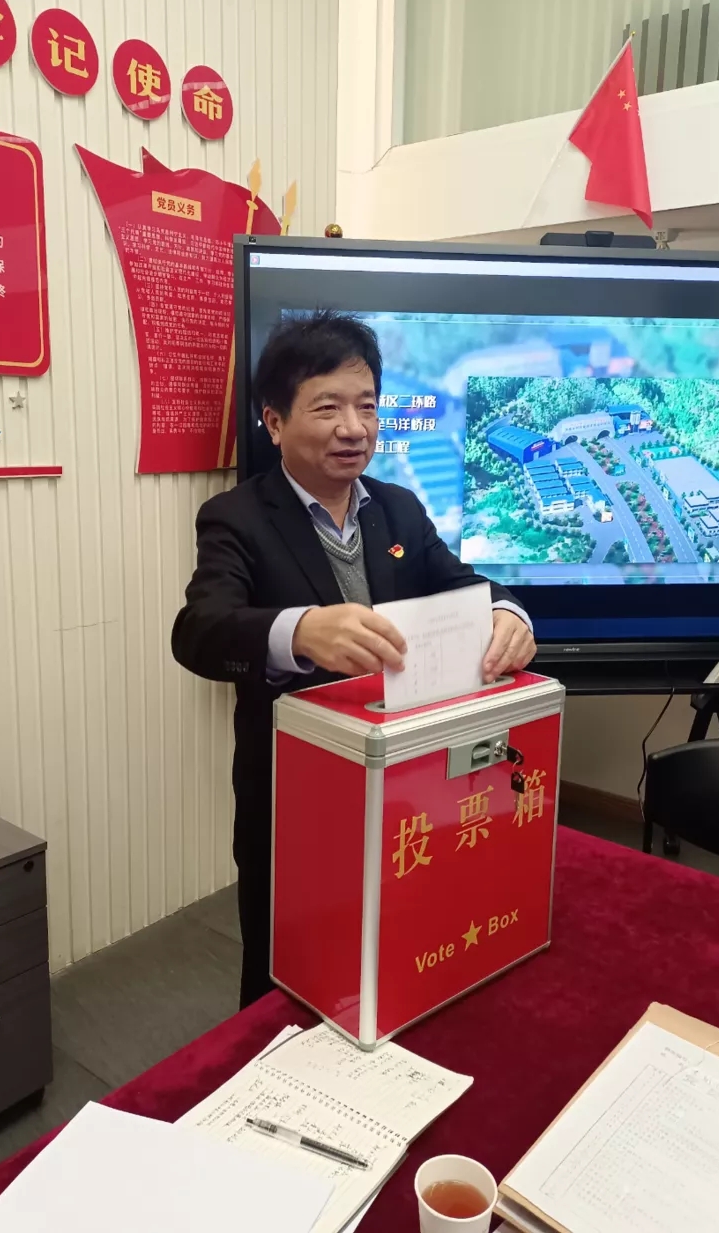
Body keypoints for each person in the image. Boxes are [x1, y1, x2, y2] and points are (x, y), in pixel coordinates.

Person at [171, 312, 536, 1007]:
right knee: (286, 961)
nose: (354, 428)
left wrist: (509, 614)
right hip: (296, 792)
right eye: (327, 408)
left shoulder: (398, 509)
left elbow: (462, 583)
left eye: (366, 406)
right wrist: (300, 629)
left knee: (399, 937)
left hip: (406, 779)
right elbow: (198, 631)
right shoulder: (236, 517)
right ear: (274, 422)